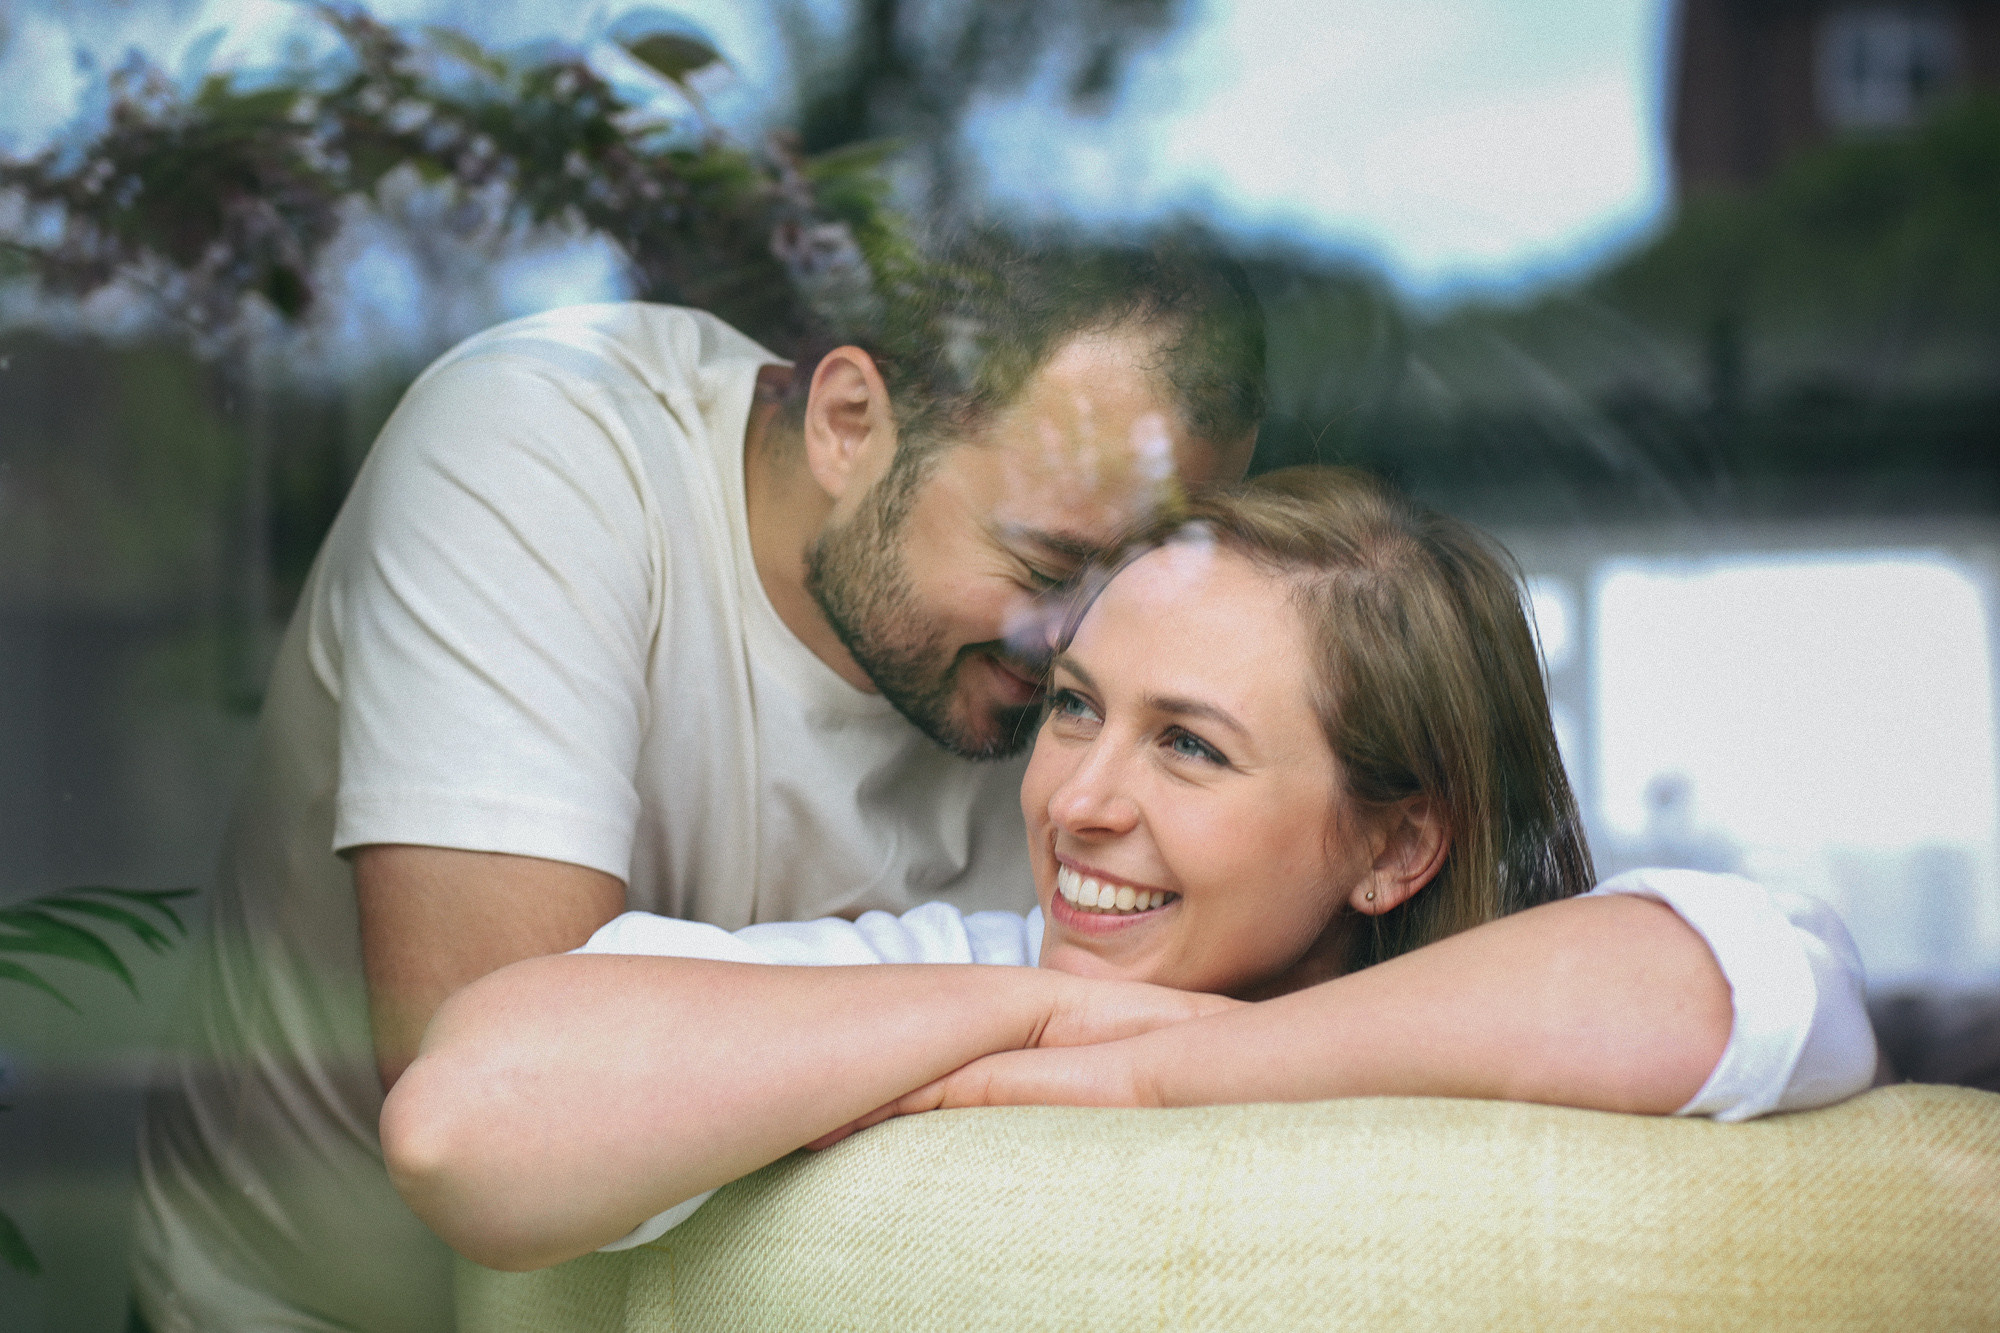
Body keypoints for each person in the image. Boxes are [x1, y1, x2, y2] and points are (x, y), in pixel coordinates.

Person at [129, 234, 1268, 1333]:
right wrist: (1044, 1015)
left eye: (1140, 583)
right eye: (1046, 566)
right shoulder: (543, 443)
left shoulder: (1088, 678)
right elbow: (502, 1100)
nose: (1078, 642)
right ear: (848, 424)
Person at [380, 468, 1880, 1274]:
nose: (1078, 800)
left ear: (1397, 845)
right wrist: (1041, 1015)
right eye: (1076, 707)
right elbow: (465, 1121)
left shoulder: (1520, 1002)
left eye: (1190, 746)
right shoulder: (968, 986)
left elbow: (1734, 985)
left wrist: (1162, 1070)